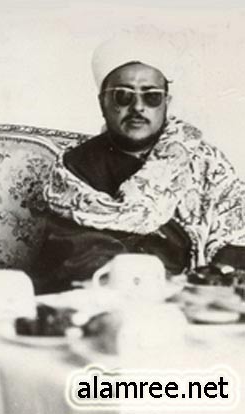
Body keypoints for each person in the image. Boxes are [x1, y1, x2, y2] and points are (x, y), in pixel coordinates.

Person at [32, 33, 245, 293]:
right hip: (113, 293)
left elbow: (236, 238)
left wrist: (210, 284)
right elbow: (78, 253)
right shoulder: (76, 167)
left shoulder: (206, 163)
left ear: (166, 103)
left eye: (151, 96)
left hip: (194, 296)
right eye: (122, 96)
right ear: (102, 103)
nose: (137, 107)